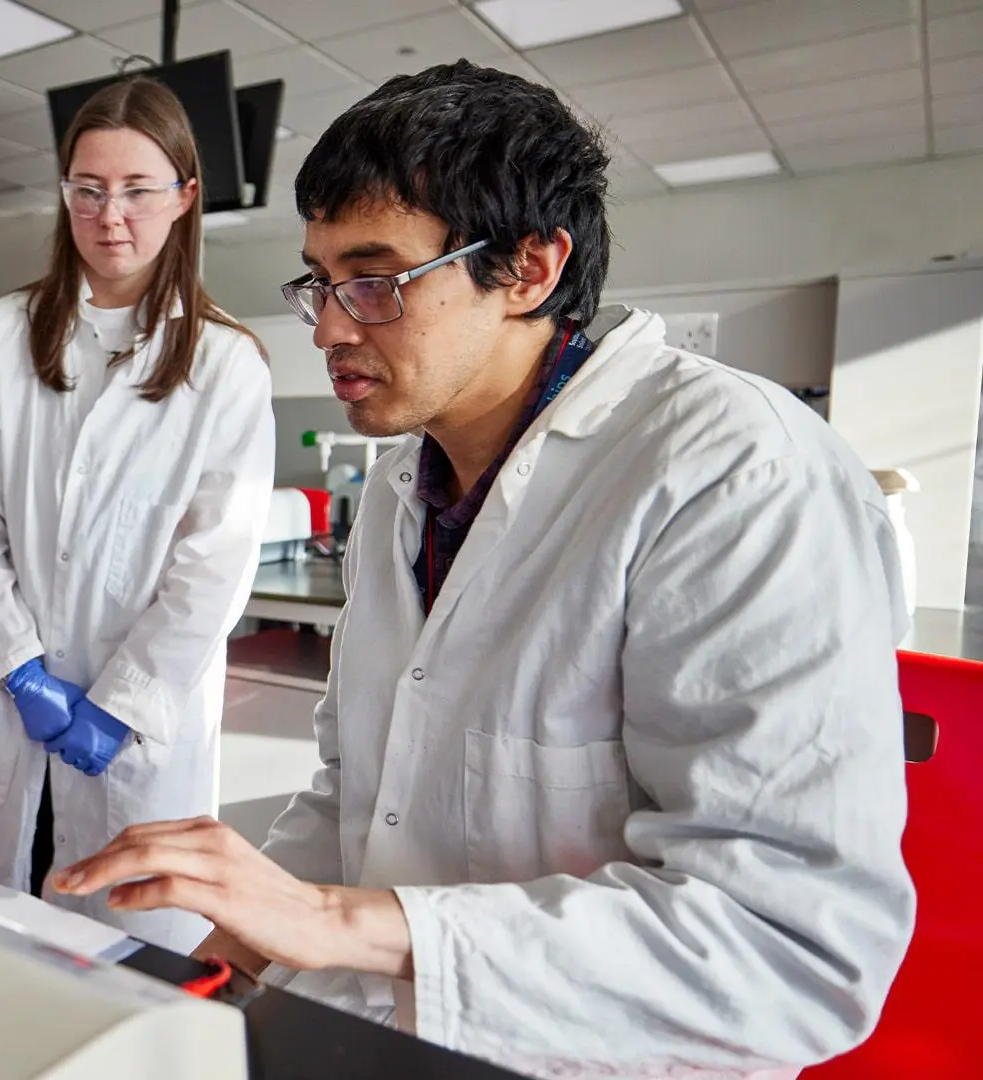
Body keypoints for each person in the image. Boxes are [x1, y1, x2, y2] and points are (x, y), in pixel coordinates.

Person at [53, 61, 914, 1079]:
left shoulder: (733, 474)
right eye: (320, 282)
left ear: (531, 268)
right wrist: (222, 963)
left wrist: (334, 921)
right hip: (383, 1031)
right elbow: (352, 799)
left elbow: (792, 951)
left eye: (374, 281)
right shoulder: (397, 494)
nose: (329, 326)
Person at [0, 78, 274, 953]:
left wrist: (121, 705)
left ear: (185, 198)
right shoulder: (3, 332)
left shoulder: (227, 364)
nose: (112, 215)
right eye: (89, 190)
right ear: (66, 194)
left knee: (121, 966)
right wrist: (21, 670)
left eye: (139, 190)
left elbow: (212, 568)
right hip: (1, 716)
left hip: (136, 739)